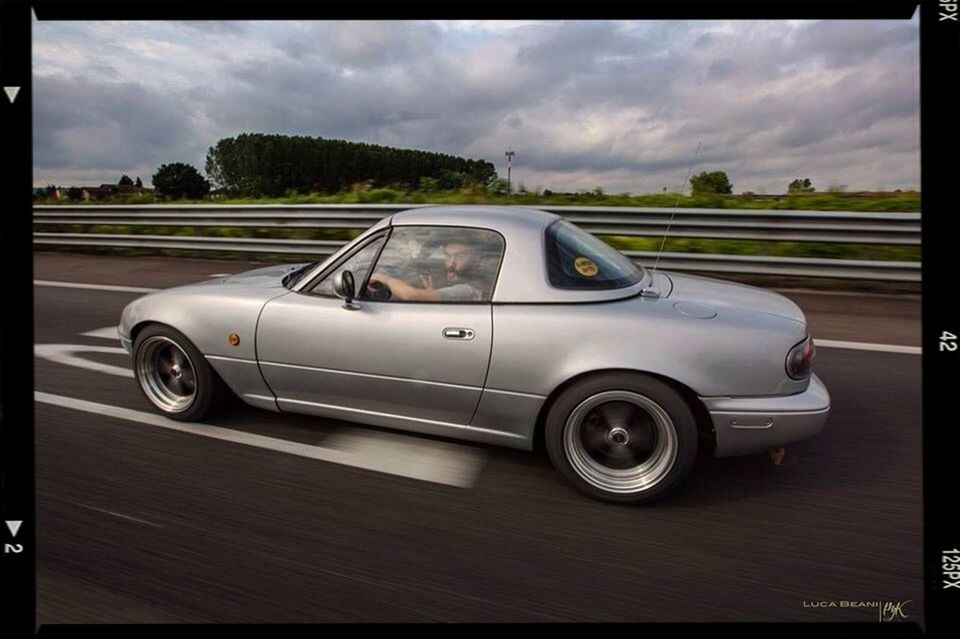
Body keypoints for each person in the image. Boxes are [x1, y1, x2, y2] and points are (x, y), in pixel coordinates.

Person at [367, 239, 486, 301]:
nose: (451, 263)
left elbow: (409, 295)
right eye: (448, 256)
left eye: (460, 257)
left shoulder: (469, 290)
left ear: (477, 260)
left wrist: (385, 279)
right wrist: (431, 293)